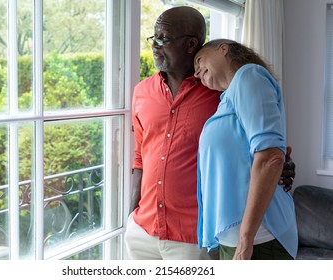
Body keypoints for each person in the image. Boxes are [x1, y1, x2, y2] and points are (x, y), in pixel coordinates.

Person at [125, 6, 295, 260]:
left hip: (192, 237)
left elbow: (261, 143)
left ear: (191, 43)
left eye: (163, 38)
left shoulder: (221, 89)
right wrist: (131, 215)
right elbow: (140, 157)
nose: (155, 45)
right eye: (153, 38)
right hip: (142, 231)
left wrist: (282, 161)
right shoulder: (141, 91)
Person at [194, 39, 298, 260]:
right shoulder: (227, 100)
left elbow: (271, 158)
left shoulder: (248, 75)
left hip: (259, 238)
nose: (196, 73)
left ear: (224, 48)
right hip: (238, 240)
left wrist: (245, 242)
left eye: (199, 60)